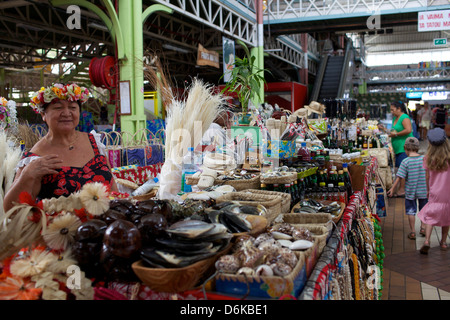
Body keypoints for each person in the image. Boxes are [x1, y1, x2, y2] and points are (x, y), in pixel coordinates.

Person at [3, 83, 118, 213]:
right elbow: (10, 209)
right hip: (64, 229)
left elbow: (113, 186)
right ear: (43, 114)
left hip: (107, 225)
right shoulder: (35, 158)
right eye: (58, 108)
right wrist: (27, 174)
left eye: (73, 107)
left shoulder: (94, 142)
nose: (66, 113)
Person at [387, 137, 427, 239]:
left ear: (405, 148)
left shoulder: (405, 161)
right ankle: (423, 228)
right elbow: (429, 174)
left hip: (411, 192)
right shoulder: (424, 159)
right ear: (417, 148)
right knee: (423, 209)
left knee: (411, 211)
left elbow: (399, 177)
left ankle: (413, 232)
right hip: (423, 191)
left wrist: (392, 189)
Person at [417, 128, 450, 254]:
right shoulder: (448, 158)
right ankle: (443, 242)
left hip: (434, 191)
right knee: (447, 216)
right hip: (447, 192)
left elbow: (427, 176)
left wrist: (428, 190)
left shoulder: (428, 158)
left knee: (430, 216)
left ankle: (427, 240)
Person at [378, 101, 413, 196]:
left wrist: (396, 134)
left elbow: (408, 130)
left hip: (405, 147)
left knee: (402, 169)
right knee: (399, 169)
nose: (391, 112)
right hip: (398, 147)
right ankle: (400, 189)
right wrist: (384, 129)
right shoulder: (395, 118)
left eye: (393, 110)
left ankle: (402, 190)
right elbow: (394, 131)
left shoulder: (404, 117)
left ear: (399, 109)